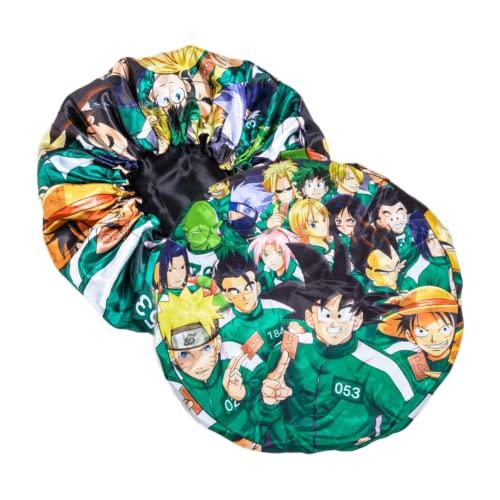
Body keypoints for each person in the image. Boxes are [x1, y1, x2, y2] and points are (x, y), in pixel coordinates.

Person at [256, 244, 416, 452]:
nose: (334, 322)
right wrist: (269, 402)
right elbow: (262, 416)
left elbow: (407, 414)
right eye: (325, 314)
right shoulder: (285, 352)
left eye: (343, 314)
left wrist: (377, 436)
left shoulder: (380, 368)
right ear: (309, 318)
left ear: (357, 320)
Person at [156, 287, 266, 449]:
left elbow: (269, 391)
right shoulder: (171, 375)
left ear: (217, 343)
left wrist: (244, 393)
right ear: (171, 355)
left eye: (206, 349)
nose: (199, 363)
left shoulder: (236, 356)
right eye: (184, 355)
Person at [214, 253, 294, 361]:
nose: (244, 296)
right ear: (227, 296)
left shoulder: (281, 310)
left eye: (248, 288)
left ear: (257, 287)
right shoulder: (223, 330)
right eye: (235, 292)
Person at [288, 199, 335, 266]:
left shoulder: (333, 241)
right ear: (304, 230)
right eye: (313, 224)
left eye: (324, 219)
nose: (323, 225)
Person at [256, 160, 300, 231]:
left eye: (288, 188)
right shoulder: (270, 206)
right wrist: (267, 223)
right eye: (279, 191)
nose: (284, 193)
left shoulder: (301, 204)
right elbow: (256, 227)